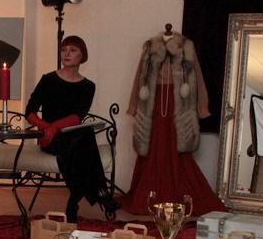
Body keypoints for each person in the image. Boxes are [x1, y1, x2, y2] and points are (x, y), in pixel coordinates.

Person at [123, 28, 226, 216]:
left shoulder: (186, 47)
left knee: (177, 147)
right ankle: (151, 195)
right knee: (152, 146)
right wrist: (134, 106)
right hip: (153, 105)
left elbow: (197, 78)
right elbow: (140, 78)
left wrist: (202, 107)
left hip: (179, 105)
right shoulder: (150, 48)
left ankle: (176, 195)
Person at [25, 35, 119, 222]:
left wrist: (55, 127)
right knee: (84, 138)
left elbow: (77, 117)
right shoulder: (48, 79)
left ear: (82, 56)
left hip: (71, 137)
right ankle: (100, 193)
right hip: (50, 138)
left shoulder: (88, 86)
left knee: (81, 137)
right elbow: (30, 112)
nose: (66, 53)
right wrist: (48, 128)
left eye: (73, 50)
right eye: (64, 50)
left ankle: (73, 201)